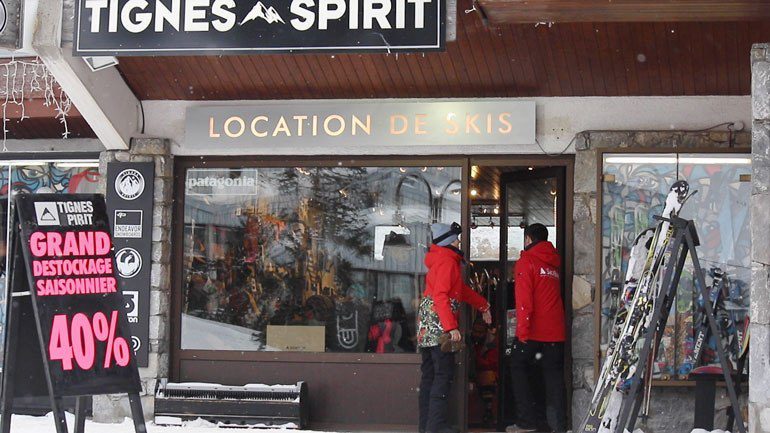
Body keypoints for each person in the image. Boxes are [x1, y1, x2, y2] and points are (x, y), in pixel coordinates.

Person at [417, 222, 492, 433]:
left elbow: (460, 291)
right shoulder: (448, 262)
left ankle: (427, 426)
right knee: (442, 375)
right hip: (439, 325)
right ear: (449, 242)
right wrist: (451, 328)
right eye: (456, 238)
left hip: (427, 326)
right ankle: (436, 426)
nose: (459, 242)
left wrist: (483, 305)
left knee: (430, 376)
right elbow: (441, 296)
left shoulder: (441, 260)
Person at [507, 223, 566, 433]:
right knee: (553, 378)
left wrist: (521, 332)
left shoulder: (527, 261)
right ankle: (558, 425)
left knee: (517, 367)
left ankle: (526, 421)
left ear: (528, 239)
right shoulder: (553, 264)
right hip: (555, 333)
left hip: (534, 331)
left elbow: (524, 301)